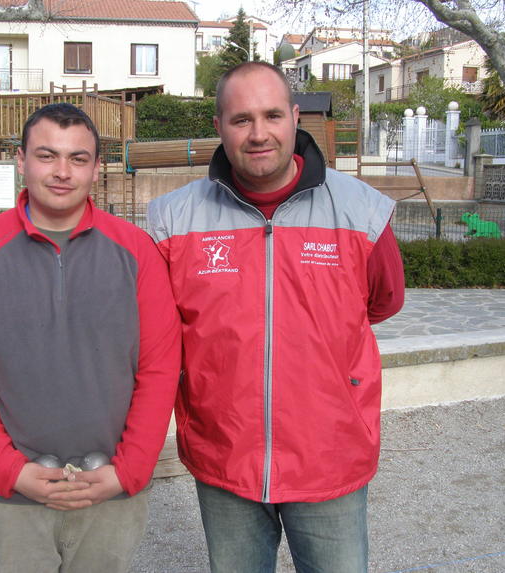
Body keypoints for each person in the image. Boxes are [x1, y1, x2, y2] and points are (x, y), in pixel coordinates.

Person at [147, 62, 404, 573]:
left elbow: (382, 301)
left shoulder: (363, 212)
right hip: (225, 457)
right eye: (241, 119)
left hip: (330, 453)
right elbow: (157, 331)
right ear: (219, 126)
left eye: (271, 115)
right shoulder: (172, 220)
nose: (259, 133)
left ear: (294, 117)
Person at [0, 103, 181, 573]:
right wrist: (8, 471)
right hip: (11, 498)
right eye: (47, 156)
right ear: (21, 159)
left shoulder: (136, 252)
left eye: (78, 158)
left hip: (108, 489)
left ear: (96, 168)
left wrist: (128, 470)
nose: (62, 172)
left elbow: (160, 366)